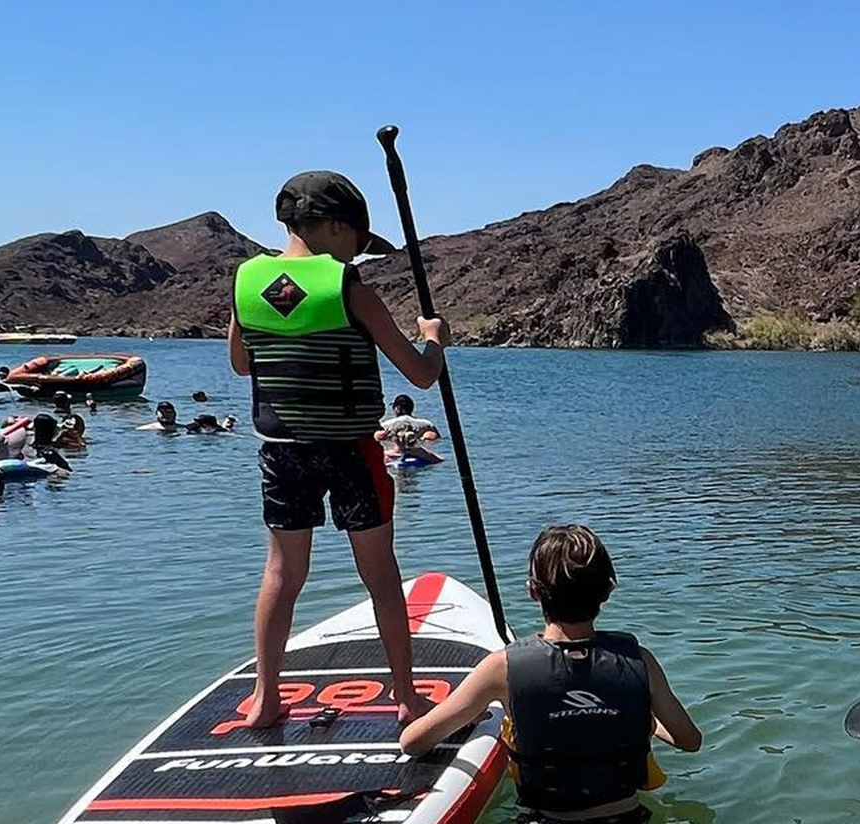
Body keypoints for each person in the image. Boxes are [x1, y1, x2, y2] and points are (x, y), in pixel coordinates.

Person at [227, 169, 450, 728]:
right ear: (331, 226)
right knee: (379, 573)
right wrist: (434, 338)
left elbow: (241, 363)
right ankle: (406, 697)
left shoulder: (246, 282)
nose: (358, 253)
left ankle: (266, 697)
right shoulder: (351, 289)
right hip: (351, 450)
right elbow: (420, 375)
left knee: (281, 572)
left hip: (281, 450)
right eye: (356, 240)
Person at [401, 525, 701, 824]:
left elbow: (412, 742)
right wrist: (635, 715)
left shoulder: (501, 668)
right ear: (607, 591)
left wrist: (469, 717)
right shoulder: (639, 661)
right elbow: (689, 740)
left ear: (533, 591)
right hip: (630, 817)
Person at [375, 394, 440, 460]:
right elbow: (434, 438)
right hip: (420, 454)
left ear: (397, 408)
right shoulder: (427, 424)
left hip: (395, 455)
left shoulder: (385, 425)